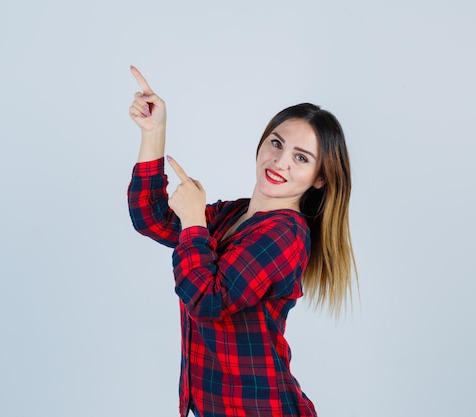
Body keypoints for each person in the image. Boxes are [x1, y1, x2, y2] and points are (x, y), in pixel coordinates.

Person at [127, 65, 356, 417]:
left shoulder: (285, 235)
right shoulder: (232, 215)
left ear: (320, 178)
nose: (280, 162)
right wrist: (154, 133)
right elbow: (151, 217)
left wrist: (192, 219)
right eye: (276, 143)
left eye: (301, 157)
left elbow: (206, 298)